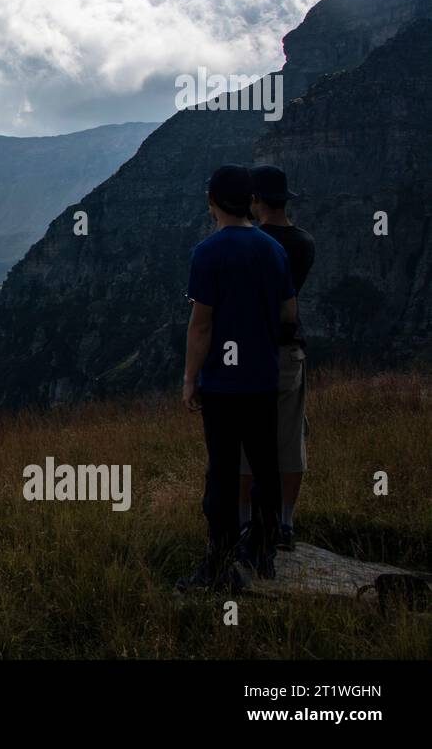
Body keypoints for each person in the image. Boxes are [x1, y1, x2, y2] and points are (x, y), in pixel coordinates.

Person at [178, 165, 297, 593]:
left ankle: (220, 558)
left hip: (223, 387)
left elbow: (201, 326)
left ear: (212, 201)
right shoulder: (272, 250)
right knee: (266, 465)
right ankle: (263, 551)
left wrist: (191, 378)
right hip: (263, 379)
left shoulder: (207, 253)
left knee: (223, 472)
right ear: (249, 201)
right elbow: (288, 313)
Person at [240, 165, 315, 550]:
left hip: (250, 352)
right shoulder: (303, 243)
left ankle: (244, 522)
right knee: (289, 440)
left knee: (244, 443)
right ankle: (285, 523)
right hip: (290, 351)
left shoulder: (250, 243)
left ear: (256, 201)